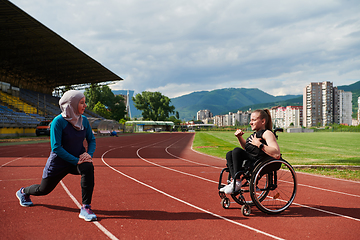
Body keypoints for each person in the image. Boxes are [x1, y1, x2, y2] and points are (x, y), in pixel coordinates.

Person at [16, 90, 97, 222]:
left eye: (84, 102)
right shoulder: (57, 122)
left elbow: (91, 140)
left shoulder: (85, 121)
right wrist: (76, 160)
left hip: (77, 161)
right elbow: (56, 148)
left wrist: (88, 155)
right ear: (71, 104)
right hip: (58, 163)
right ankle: (23, 192)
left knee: (88, 167)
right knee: (43, 190)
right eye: (82, 103)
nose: (85, 105)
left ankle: (86, 207)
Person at [220, 109, 281, 194]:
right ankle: (234, 181)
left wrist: (259, 144)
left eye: (253, 120)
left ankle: (237, 182)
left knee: (237, 151)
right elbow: (246, 148)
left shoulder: (267, 133)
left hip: (259, 161)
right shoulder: (254, 134)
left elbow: (276, 153)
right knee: (230, 154)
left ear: (263, 121)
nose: (250, 122)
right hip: (251, 159)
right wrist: (239, 137)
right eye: (250, 120)